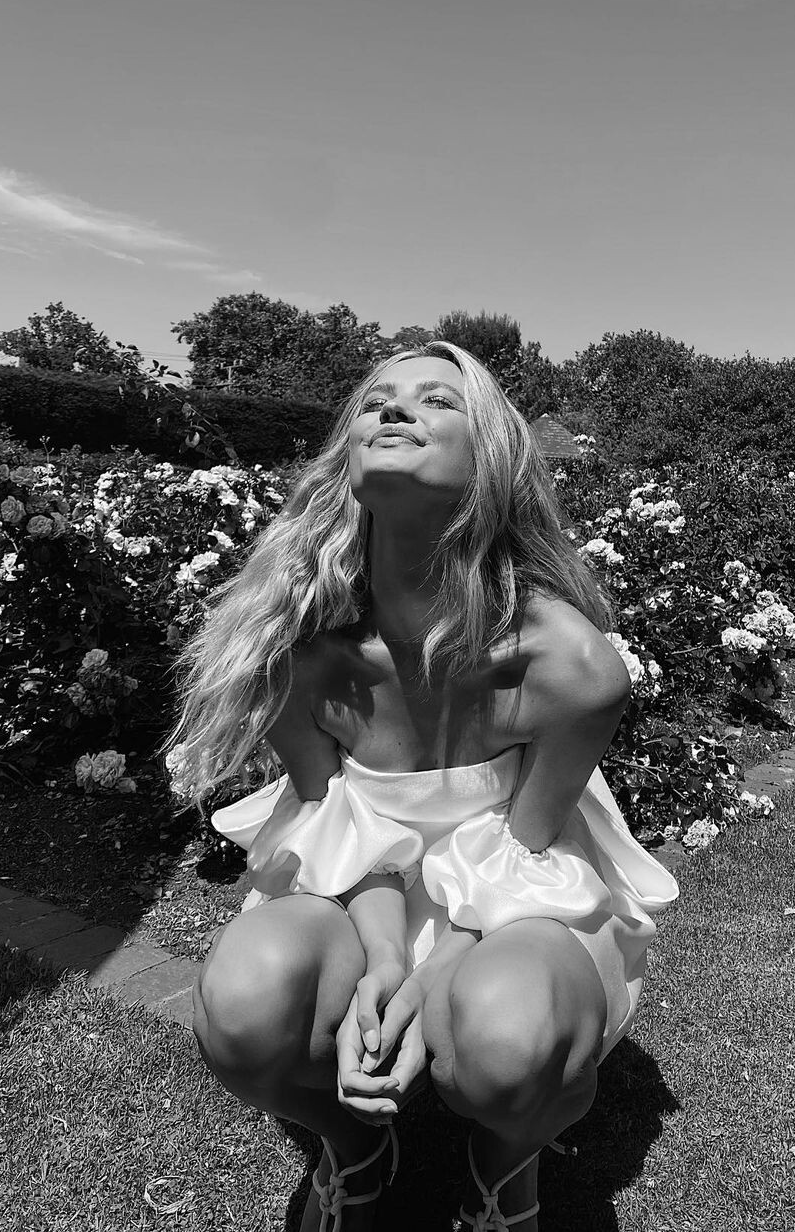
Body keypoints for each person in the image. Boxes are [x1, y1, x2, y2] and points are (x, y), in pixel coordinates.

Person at [166, 342, 679, 1231]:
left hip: (512, 898)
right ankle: (355, 1147)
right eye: (377, 401)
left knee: (512, 1042)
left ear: (490, 462)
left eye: (436, 399)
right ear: (348, 458)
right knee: (240, 1011)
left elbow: (525, 851)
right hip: (355, 887)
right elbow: (332, 825)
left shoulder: (567, 663)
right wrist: (385, 957)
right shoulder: (291, 644)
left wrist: (434, 966)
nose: (394, 409)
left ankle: (503, 1169)